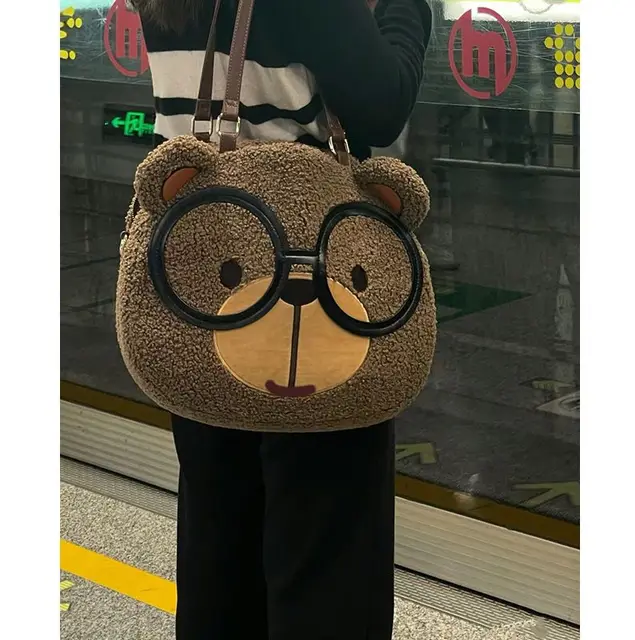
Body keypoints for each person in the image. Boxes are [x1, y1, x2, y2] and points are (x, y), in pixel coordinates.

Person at [131, 1, 432, 638]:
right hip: (308, 273)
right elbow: (382, 104)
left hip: (200, 276)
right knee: (326, 553)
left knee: (219, 534)